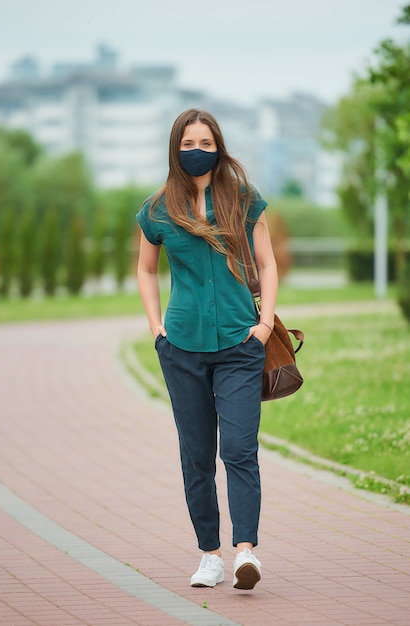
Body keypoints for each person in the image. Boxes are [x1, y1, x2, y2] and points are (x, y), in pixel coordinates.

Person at [136, 108, 278, 590]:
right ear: (175, 148)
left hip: (240, 344)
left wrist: (263, 324)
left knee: (239, 449)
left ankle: (245, 552)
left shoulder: (243, 200)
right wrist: (157, 327)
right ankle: (209, 555)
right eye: (188, 144)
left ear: (219, 147)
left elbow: (268, 261)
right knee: (196, 454)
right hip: (182, 349)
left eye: (205, 143)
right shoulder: (157, 209)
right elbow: (144, 269)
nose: (197, 152)